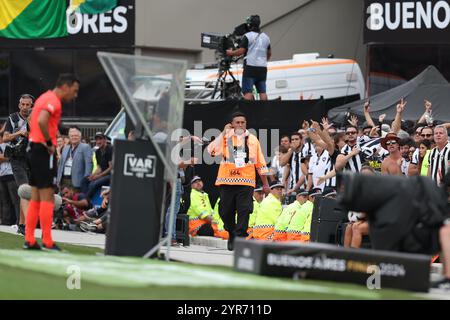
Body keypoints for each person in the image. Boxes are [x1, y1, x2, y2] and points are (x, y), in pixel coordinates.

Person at [24, 73, 80, 250]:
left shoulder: (43, 97)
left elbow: (34, 119)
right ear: (65, 86)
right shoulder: (53, 100)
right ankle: (47, 241)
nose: (75, 95)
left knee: (35, 196)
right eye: (74, 90)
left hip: (33, 149)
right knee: (47, 196)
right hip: (42, 151)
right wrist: (49, 143)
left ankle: (30, 239)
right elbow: (41, 120)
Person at [207, 111, 270, 250]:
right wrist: (223, 133)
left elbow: (260, 163)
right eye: (237, 122)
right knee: (225, 212)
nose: (240, 125)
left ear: (246, 124)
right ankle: (231, 232)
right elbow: (210, 151)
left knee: (244, 210)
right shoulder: (225, 137)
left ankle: (240, 238)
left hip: (246, 182)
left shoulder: (253, 140)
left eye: (243, 122)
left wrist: (265, 184)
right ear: (232, 124)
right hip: (226, 181)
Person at [3, 94, 34, 235]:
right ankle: (27, 225)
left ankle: (22, 225)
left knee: (26, 193)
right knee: (25, 190)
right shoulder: (13, 118)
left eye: (28, 105)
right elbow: (5, 138)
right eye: (23, 104)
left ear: (31, 105)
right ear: (19, 105)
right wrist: (20, 133)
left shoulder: (35, 118)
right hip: (16, 158)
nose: (25, 107)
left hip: (30, 159)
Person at [226, 15, 271, 101]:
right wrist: (263, 61)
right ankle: (265, 111)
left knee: (248, 92)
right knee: (262, 92)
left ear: (249, 25)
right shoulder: (266, 37)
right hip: (262, 68)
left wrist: (231, 53)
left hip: (250, 67)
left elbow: (241, 51)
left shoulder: (247, 36)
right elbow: (269, 53)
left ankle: (248, 112)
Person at [57, 126, 93, 192]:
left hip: (77, 182)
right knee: (63, 200)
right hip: (64, 181)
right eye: (72, 136)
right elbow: (61, 165)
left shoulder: (85, 147)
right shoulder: (65, 148)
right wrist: (58, 180)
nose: (74, 137)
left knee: (75, 201)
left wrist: (85, 181)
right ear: (69, 137)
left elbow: (89, 164)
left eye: (76, 135)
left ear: (80, 136)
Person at [84, 132, 112, 200]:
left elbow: (111, 167)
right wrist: (92, 175)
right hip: (103, 174)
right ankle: (84, 198)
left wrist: (98, 176)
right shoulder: (97, 152)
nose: (98, 141)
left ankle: (86, 201)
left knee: (94, 183)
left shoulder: (110, 149)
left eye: (100, 139)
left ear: (105, 140)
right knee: (85, 180)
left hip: (111, 175)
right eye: (97, 139)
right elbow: (99, 167)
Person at [0, 132, 20, 225]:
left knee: (15, 200)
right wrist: (7, 157)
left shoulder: (12, 144)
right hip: (2, 176)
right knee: (5, 201)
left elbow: (13, 156)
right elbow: (9, 157)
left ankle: (18, 221)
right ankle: (5, 221)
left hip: (12, 175)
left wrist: (5, 157)